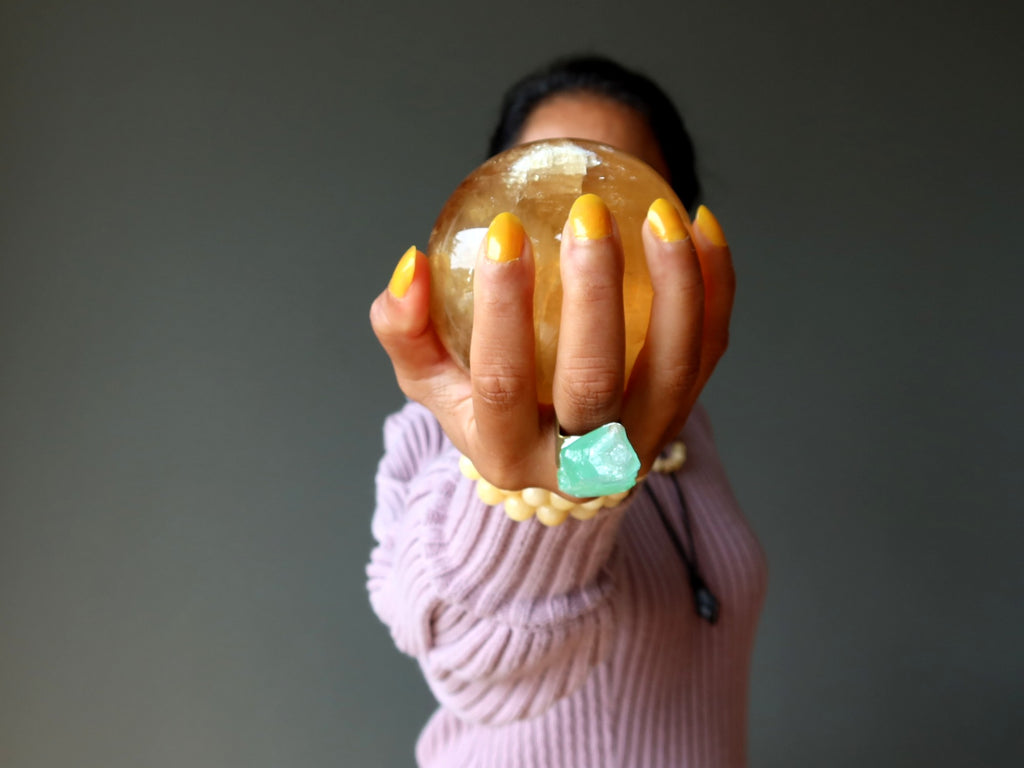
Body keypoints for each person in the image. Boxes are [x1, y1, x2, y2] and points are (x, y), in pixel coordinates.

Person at [367, 55, 767, 768]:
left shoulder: (685, 430)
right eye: (540, 206)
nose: (578, 252)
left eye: (616, 206)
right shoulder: (444, 435)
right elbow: (474, 663)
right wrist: (542, 493)